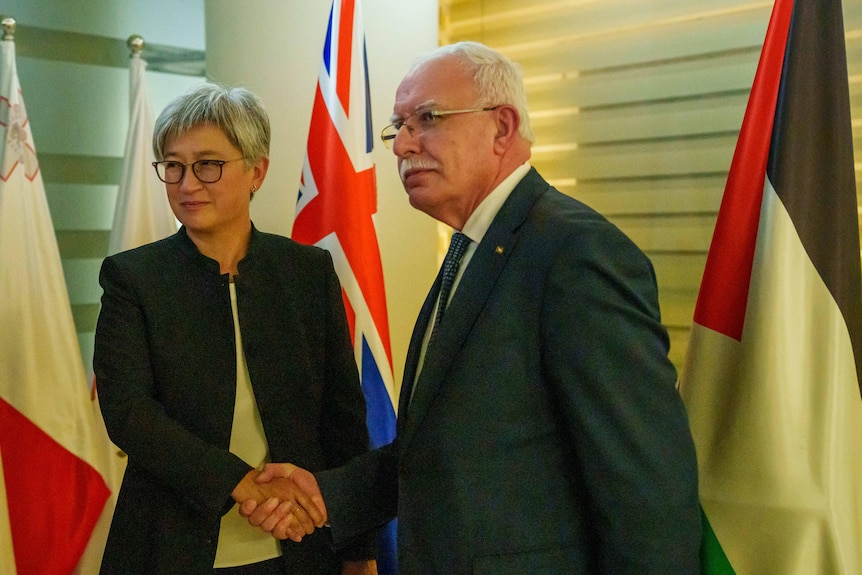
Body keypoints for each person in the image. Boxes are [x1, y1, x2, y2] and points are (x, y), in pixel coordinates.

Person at [243, 41, 701, 574]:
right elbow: (449, 449)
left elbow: (645, 489)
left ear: (502, 128)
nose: (401, 145)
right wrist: (329, 496)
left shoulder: (574, 254)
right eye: (398, 125)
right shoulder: (469, 250)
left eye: (427, 119)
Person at [93, 82, 377, 575]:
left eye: (208, 164)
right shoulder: (133, 278)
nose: (186, 184)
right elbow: (129, 413)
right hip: (169, 548)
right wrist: (239, 482)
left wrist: (359, 550)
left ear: (257, 172)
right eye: (173, 166)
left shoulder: (307, 272)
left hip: (301, 547)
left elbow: (343, 419)